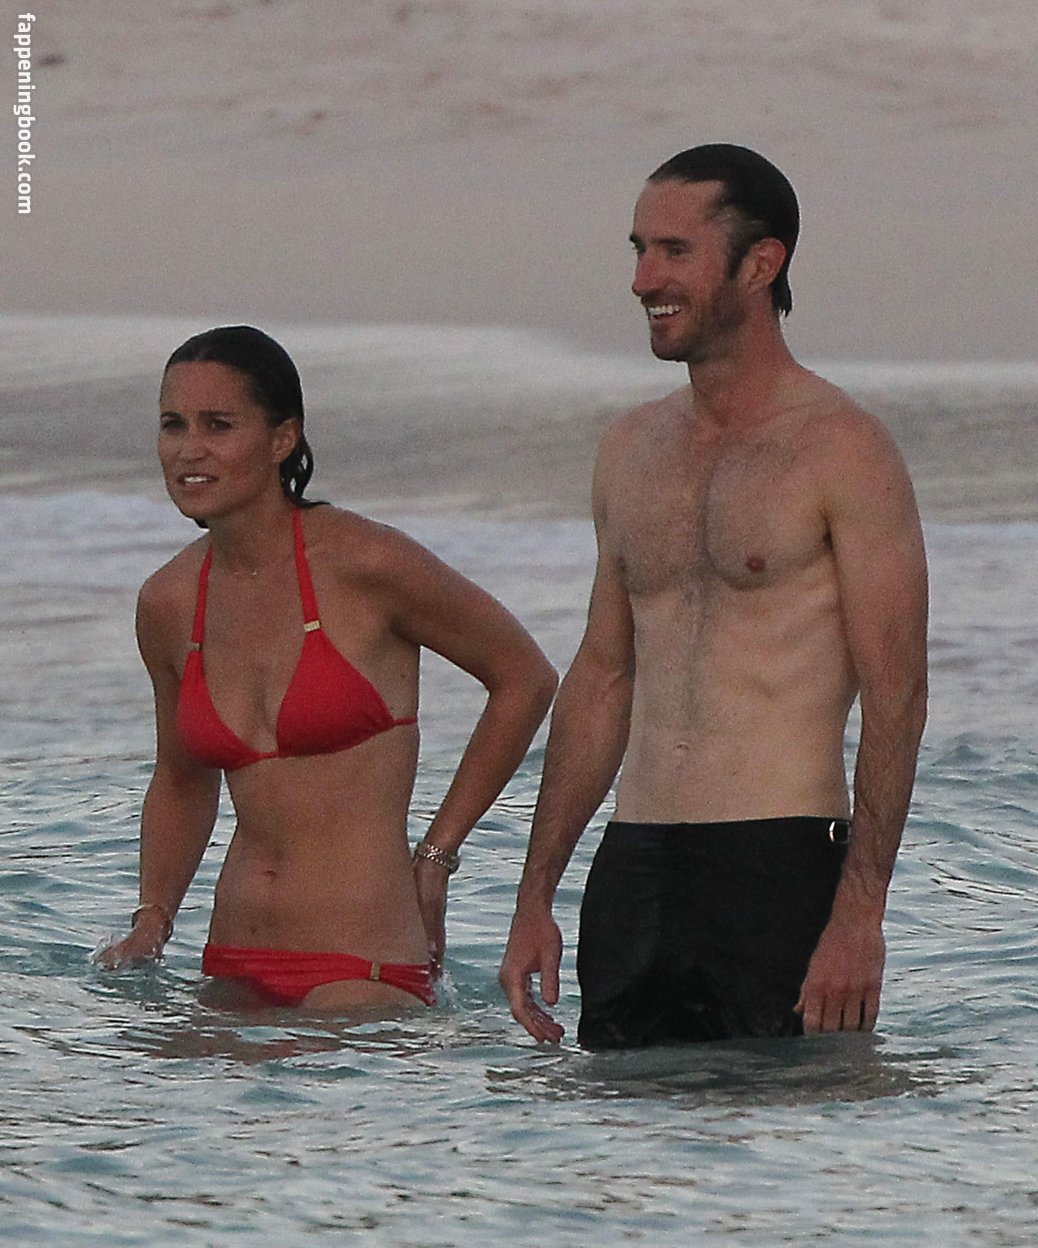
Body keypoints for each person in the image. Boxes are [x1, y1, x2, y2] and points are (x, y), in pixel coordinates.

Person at [499, 143, 928, 1048]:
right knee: (617, 1126)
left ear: (760, 263)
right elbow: (602, 677)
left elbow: (897, 691)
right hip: (635, 864)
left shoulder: (845, 450)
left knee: (783, 1120)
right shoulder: (629, 449)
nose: (643, 280)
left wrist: (860, 915)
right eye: (638, 250)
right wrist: (536, 896)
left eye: (674, 251)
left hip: (778, 861)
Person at [98, 325, 557, 1013]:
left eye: (218, 425)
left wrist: (437, 855)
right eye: (173, 424)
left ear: (282, 439)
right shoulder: (168, 602)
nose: (189, 449)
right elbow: (181, 777)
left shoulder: (365, 563)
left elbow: (523, 677)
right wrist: (153, 917)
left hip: (364, 960)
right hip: (233, 960)